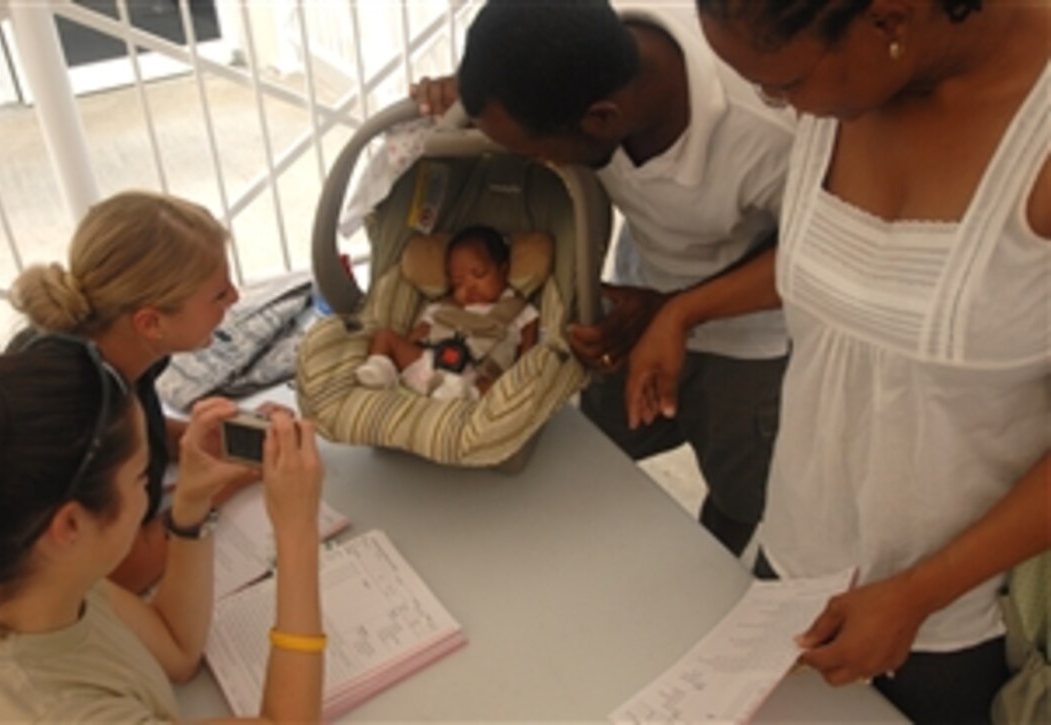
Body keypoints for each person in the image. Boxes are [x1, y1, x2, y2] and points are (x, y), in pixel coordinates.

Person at [627, 0, 1050, 721]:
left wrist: (917, 594)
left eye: (783, 84)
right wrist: (687, 309)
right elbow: (861, 272)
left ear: (887, 22)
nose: (774, 107)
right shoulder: (843, 88)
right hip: (793, 565)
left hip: (957, 625)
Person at [411, 0, 794, 554]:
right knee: (590, 446)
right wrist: (463, 94)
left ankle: (712, 575)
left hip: (749, 335)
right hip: (642, 300)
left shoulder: (767, 132)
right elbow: (513, 84)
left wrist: (678, 310)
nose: (538, 164)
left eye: (538, 153)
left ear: (602, 118)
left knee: (740, 489)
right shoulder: (573, 53)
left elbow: (808, 255)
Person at [0, 335, 325, 721]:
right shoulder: (59, 710)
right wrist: (296, 532)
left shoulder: (20, 564)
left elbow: (177, 649)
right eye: (141, 477)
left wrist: (191, 502)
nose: (152, 491)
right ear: (70, 524)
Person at [10, 190, 249, 594]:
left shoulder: (109, 347)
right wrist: (227, 484)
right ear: (151, 322)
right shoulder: (81, 414)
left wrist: (203, 438)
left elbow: (146, 431)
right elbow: (122, 572)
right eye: (218, 295)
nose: (236, 298)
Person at [355, 225, 539, 401]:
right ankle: (380, 370)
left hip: (477, 375)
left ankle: (464, 394)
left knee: (498, 388)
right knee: (384, 336)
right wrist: (408, 351)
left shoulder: (521, 311)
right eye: (458, 282)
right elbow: (416, 337)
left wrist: (518, 380)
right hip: (430, 363)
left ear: (503, 270)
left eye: (479, 274)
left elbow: (528, 358)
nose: (469, 288)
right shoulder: (442, 307)